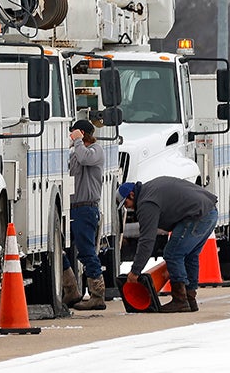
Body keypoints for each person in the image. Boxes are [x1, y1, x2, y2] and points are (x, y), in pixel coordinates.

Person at [120, 176, 217, 314]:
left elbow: (147, 240)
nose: (127, 207)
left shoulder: (146, 202)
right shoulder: (149, 190)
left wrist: (135, 271)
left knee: (172, 254)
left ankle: (180, 300)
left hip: (198, 215)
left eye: (126, 203)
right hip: (210, 212)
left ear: (132, 194)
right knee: (190, 255)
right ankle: (190, 298)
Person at [66, 120, 107, 310]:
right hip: (73, 208)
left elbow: (84, 159)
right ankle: (71, 289)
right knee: (61, 248)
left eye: (73, 132)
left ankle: (97, 295)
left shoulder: (95, 151)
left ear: (81, 133)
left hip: (86, 208)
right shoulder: (77, 151)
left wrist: (78, 141)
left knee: (87, 251)